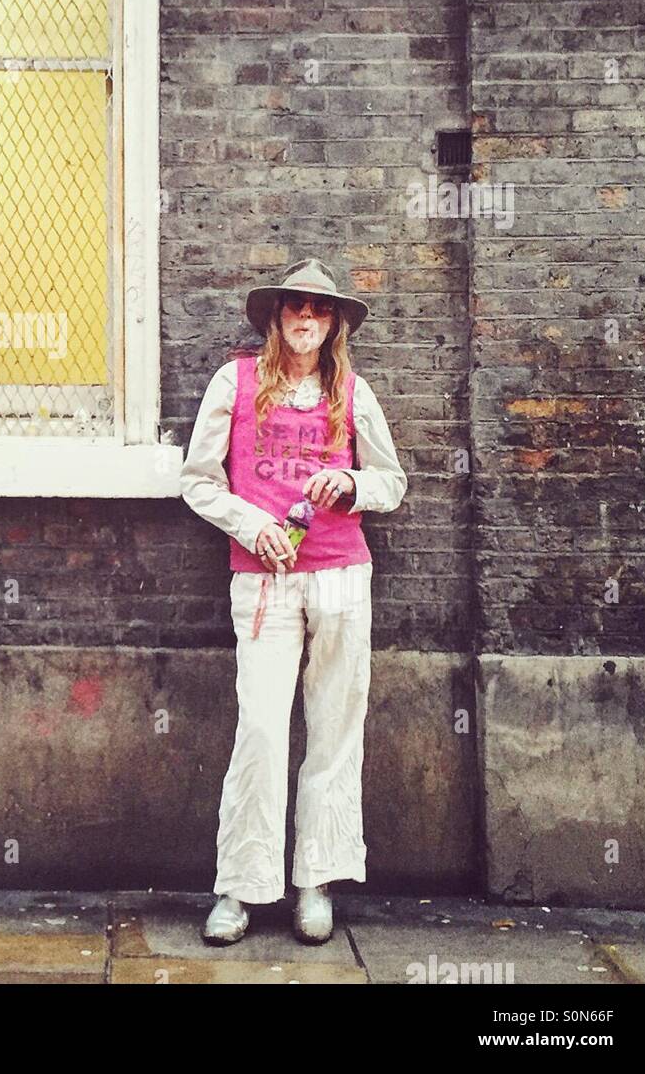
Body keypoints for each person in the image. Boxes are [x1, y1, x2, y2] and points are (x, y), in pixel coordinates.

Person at [179, 258, 407, 945]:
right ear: (276, 318)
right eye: (294, 308)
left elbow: (392, 481)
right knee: (261, 730)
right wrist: (252, 525)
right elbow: (197, 480)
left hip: (340, 573)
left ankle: (316, 881)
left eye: (320, 309)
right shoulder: (237, 381)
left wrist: (353, 486)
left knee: (335, 731)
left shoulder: (353, 391)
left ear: (333, 322)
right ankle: (241, 889)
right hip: (263, 576)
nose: (307, 319)